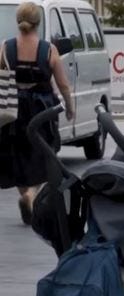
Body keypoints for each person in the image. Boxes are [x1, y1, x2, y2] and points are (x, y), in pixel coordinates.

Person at [0, 2, 74, 225]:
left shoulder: (6, 47)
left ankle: (25, 195)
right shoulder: (49, 49)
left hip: (14, 111)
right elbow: (63, 84)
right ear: (38, 23)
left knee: (18, 155)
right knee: (44, 154)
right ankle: (32, 194)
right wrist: (70, 108)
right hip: (42, 110)